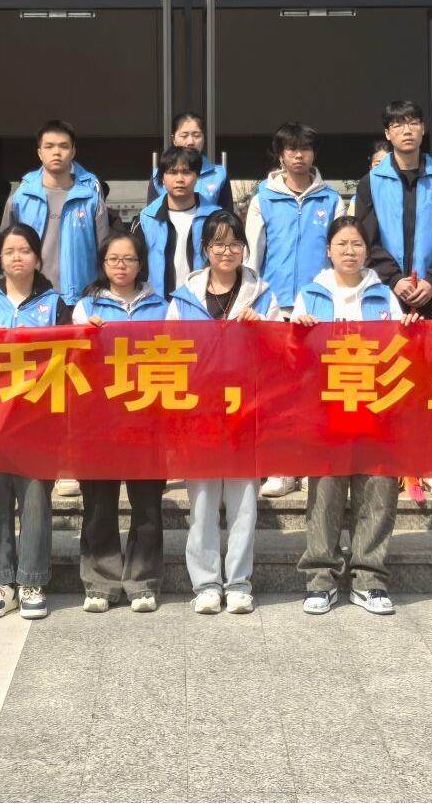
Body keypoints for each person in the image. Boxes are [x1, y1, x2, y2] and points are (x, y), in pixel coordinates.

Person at [289, 216, 406, 615]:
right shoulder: (310, 295)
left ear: (367, 251)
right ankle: (320, 579)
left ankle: (369, 579)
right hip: (326, 408)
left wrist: (409, 328)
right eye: (342, 244)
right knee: (325, 493)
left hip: (376, 407)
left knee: (378, 490)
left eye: (357, 244)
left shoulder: (384, 295)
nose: (350, 251)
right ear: (328, 250)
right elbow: (295, 358)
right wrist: (299, 333)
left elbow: (399, 349)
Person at [167, 212, 277, 614]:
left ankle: (240, 583)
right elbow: (169, 352)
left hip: (246, 412)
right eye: (218, 244)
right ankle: (206, 585)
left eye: (234, 244)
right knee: (202, 504)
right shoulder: (184, 298)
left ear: (244, 249)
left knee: (244, 502)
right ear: (205, 249)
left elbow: (281, 354)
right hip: (201, 413)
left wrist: (264, 327)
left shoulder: (262, 295)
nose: (226, 251)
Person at [0, 224, 63, 621]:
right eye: (9, 251)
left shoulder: (56, 305)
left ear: (37, 257)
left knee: (35, 497)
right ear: (0, 259)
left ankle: (31, 581)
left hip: (37, 419)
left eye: (24, 250)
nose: (17, 257)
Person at [244, 122, 343, 501]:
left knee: (318, 391)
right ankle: (282, 467)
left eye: (305, 148)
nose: (298, 156)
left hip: (319, 309)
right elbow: (252, 257)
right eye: (291, 149)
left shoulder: (331, 199)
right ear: (280, 155)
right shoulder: (263, 198)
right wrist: (256, 302)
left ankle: (314, 463)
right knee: (279, 393)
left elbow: (340, 255)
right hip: (278, 308)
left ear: (314, 154)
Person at [74, 230, 171, 614]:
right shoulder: (85, 307)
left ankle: (143, 581)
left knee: (146, 503)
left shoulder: (162, 306)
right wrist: (86, 335)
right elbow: (73, 360)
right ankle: (101, 581)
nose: (121, 266)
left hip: (147, 417)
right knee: (99, 502)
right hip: (99, 419)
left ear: (141, 263)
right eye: (113, 259)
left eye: (129, 259)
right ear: (102, 263)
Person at [354, 99, 432, 320]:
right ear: (387, 133)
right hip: (383, 291)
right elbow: (365, 238)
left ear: (423, 129)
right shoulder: (371, 182)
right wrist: (394, 279)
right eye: (397, 125)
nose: (407, 131)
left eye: (413, 123)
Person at [0, 120, 109, 307]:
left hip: (81, 300)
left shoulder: (91, 200)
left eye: (63, 146)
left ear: (73, 152)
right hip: (31, 298)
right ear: (39, 153)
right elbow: (5, 249)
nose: (56, 152)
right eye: (49, 146)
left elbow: (105, 253)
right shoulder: (20, 200)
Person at [137, 146, 222, 297]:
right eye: (172, 172)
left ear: (197, 176)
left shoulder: (216, 217)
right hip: (157, 303)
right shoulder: (146, 218)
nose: (180, 179)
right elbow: (136, 266)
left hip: (204, 301)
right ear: (162, 178)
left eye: (186, 172)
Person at [147, 111, 235, 212]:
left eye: (196, 136)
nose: (190, 142)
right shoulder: (159, 175)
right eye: (184, 136)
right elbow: (151, 214)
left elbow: (227, 215)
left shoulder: (219, 174)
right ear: (174, 139)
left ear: (204, 138)